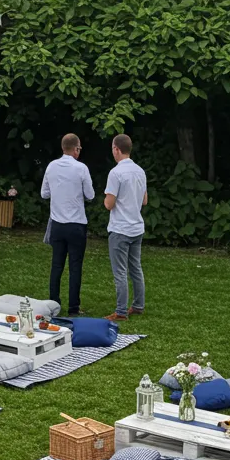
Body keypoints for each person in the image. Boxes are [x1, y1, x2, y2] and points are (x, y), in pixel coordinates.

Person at [40, 133, 95, 316]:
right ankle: (73, 307)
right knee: (75, 266)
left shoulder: (51, 166)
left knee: (56, 265)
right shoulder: (81, 168)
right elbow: (90, 195)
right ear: (76, 149)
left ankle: (53, 303)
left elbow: (44, 194)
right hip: (76, 224)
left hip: (57, 224)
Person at [104, 134, 147, 320]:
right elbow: (144, 200)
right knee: (135, 268)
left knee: (120, 271)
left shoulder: (115, 173)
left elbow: (109, 204)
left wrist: (105, 198)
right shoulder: (140, 171)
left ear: (116, 149)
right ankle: (138, 305)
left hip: (120, 228)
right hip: (137, 227)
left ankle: (121, 311)